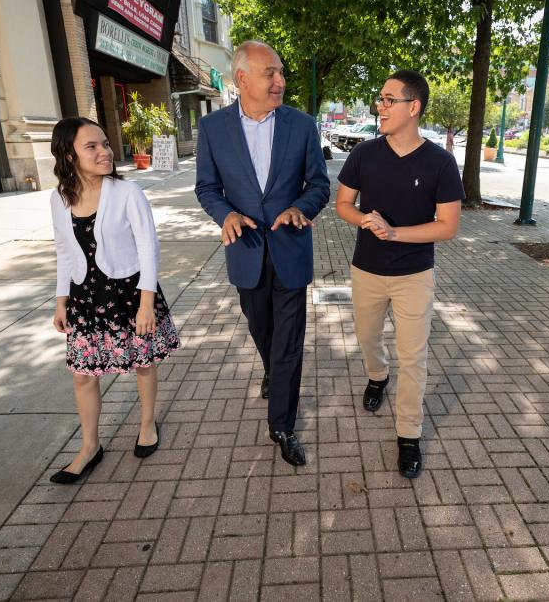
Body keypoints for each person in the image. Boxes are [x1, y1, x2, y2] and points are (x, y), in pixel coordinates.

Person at [195, 41, 330, 467]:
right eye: (270, 73)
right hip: (247, 252)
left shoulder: (303, 126)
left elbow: (319, 185)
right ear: (242, 79)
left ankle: (282, 425)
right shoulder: (214, 128)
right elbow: (206, 188)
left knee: (288, 342)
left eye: (282, 73)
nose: (280, 81)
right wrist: (226, 215)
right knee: (261, 327)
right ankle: (272, 370)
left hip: (290, 250)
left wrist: (300, 208)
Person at [335, 70, 463, 479]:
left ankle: (409, 434)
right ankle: (377, 376)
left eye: (389, 100)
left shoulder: (441, 162)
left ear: (414, 107)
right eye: (380, 99)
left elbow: (447, 226)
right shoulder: (364, 154)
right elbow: (342, 204)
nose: (380, 106)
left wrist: (395, 233)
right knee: (368, 337)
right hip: (366, 269)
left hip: (414, 276)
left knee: (414, 358)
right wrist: (363, 220)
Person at [49, 117, 180, 484]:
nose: (104, 151)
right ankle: (90, 447)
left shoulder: (127, 192)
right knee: (82, 375)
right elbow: (63, 250)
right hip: (84, 296)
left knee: (141, 363)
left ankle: (147, 423)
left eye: (105, 143)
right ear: (68, 155)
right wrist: (61, 300)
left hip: (127, 292)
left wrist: (146, 302)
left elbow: (148, 248)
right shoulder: (59, 198)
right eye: (91, 146)